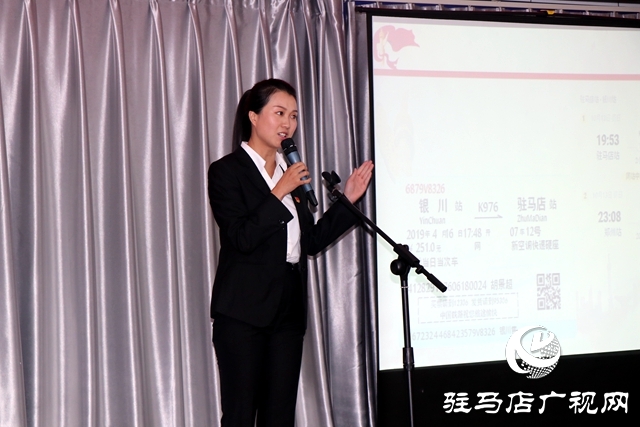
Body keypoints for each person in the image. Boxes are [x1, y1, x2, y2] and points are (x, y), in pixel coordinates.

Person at [207, 78, 373, 427]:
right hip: (243, 314)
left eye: (294, 116)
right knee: (239, 415)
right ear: (253, 116)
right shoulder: (227, 171)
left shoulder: (291, 176)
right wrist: (279, 191)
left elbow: (309, 242)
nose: (288, 123)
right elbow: (241, 238)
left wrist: (348, 200)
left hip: (287, 312)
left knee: (280, 416)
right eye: (279, 113)